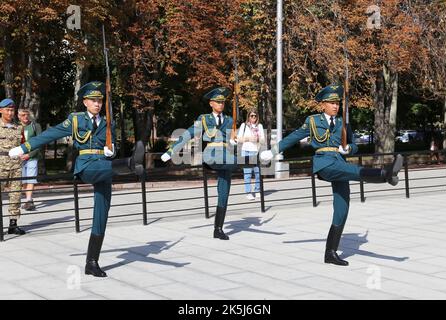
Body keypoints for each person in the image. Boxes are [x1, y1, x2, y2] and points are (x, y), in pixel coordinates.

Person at [9, 81, 145, 277]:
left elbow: (111, 144)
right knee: (116, 167)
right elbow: (49, 134)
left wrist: (112, 148)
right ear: (85, 102)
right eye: (93, 100)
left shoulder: (108, 122)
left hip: (105, 168)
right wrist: (23, 148)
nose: (97, 104)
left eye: (100, 100)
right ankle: (130, 164)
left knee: (102, 215)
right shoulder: (75, 120)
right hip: (87, 166)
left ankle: (92, 262)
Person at [260, 84, 404, 266]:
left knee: (342, 209)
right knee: (353, 171)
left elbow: (355, 145)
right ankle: (384, 174)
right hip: (324, 163)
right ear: (323, 105)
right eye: (331, 103)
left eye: (337, 103)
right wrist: (273, 151)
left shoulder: (343, 123)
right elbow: (294, 137)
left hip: (339, 162)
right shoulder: (312, 121)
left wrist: (348, 148)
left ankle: (330, 253)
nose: (335, 106)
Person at [161, 87, 237, 240]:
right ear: (211, 103)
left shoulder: (229, 120)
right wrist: (171, 151)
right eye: (218, 102)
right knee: (240, 162)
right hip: (212, 155)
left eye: (223, 102)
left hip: (226, 157)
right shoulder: (204, 119)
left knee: (224, 193)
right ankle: (247, 162)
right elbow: (188, 133)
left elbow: (230, 140)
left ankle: (218, 229)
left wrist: (233, 141)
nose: (221, 104)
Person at [0, 98, 26, 235]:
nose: (10, 113)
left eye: (12, 110)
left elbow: (23, 143)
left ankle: (13, 224)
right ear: (1, 110)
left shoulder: (19, 127)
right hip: (0, 164)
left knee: (15, 195)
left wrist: (25, 153)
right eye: (7, 110)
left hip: (15, 164)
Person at [237, 110, 265, 200]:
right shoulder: (244, 125)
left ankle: (257, 191)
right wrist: (249, 138)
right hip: (246, 151)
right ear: (248, 116)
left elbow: (263, 140)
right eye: (251, 116)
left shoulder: (259, 126)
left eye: (255, 116)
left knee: (257, 173)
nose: (253, 117)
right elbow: (238, 139)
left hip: (256, 151)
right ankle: (248, 192)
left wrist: (258, 139)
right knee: (247, 173)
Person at [18, 108, 42, 211]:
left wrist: (30, 154)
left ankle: (29, 200)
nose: (25, 117)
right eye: (23, 115)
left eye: (27, 115)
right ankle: (27, 200)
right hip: (19, 157)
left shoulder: (35, 126)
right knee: (23, 180)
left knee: (31, 178)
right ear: (18, 116)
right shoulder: (16, 127)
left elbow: (40, 142)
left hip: (32, 157)